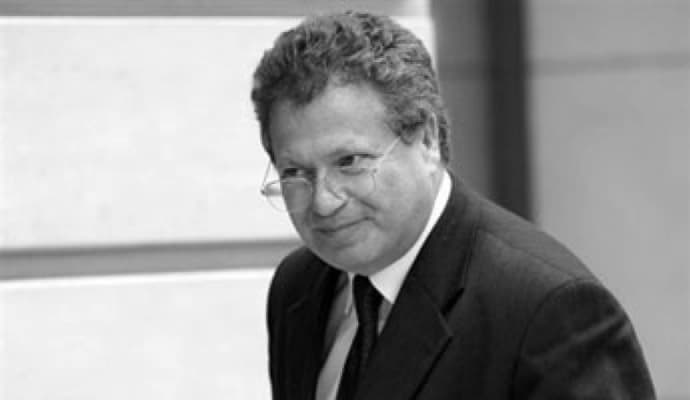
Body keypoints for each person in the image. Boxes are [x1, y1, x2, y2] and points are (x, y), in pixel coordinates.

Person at [251, 11, 655, 400]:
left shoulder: (547, 311)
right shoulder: (298, 287)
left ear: (426, 139)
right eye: (296, 172)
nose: (323, 202)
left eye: (349, 162)